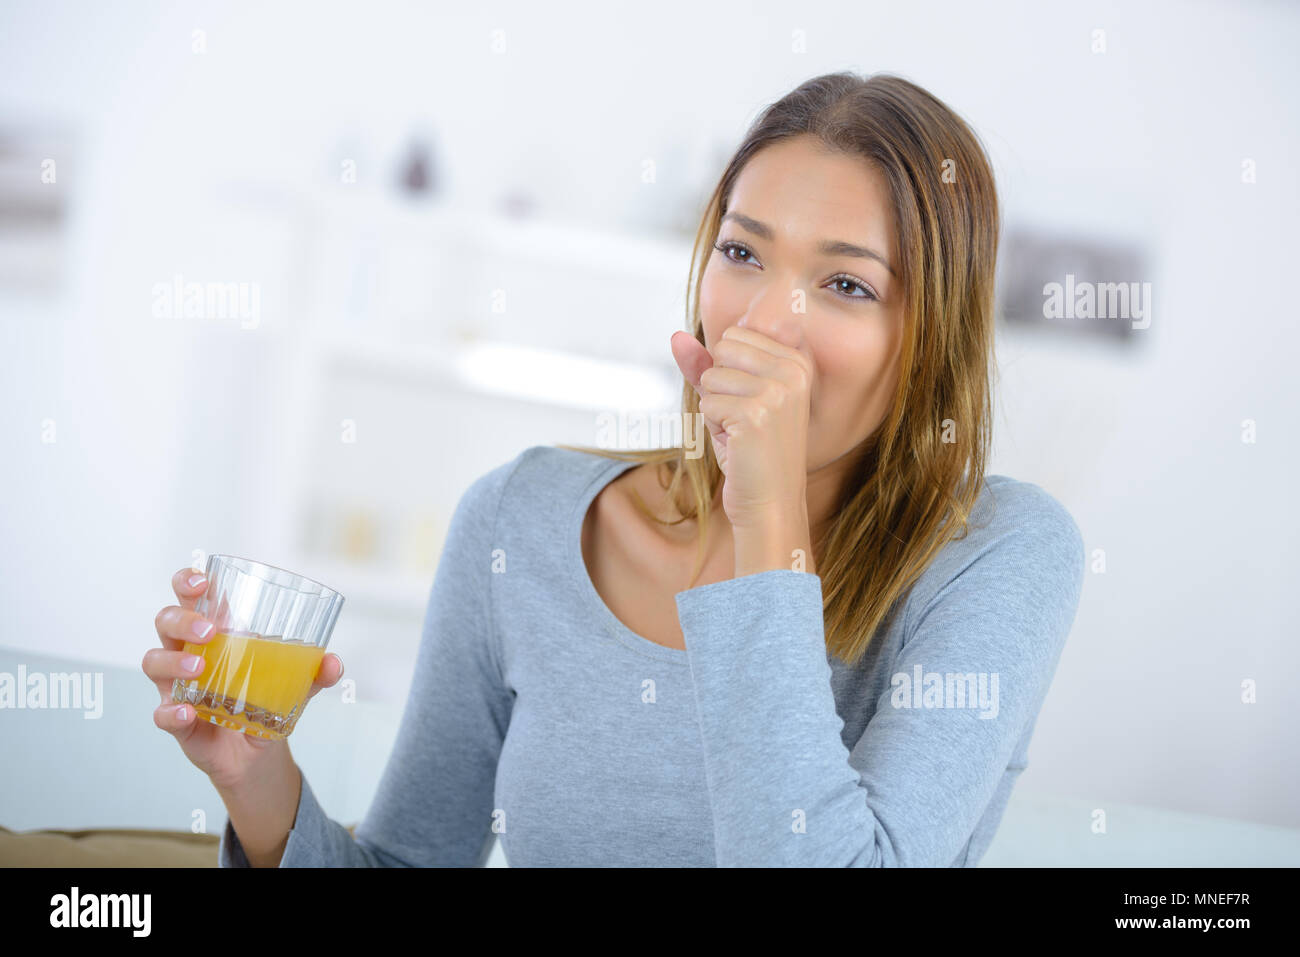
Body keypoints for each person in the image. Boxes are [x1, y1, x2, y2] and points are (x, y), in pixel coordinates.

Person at [145, 70, 1084, 867]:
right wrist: (255, 776)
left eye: (844, 284)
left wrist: (767, 514)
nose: (762, 321)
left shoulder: (1000, 555)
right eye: (741, 251)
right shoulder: (521, 518)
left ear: (930, 335)